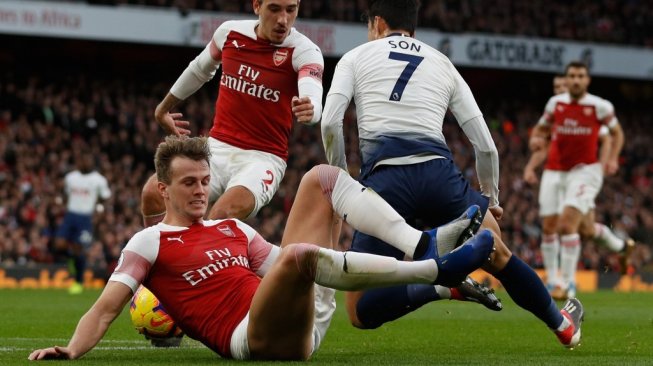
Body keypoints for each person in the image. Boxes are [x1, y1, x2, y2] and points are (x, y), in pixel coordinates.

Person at [28, 136, 495, 361]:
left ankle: (422, 245)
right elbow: (106, 308)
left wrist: (312, 268)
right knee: (297, 257)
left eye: (205, 182)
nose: (199, 191)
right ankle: (437, 269)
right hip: (252, 338)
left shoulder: (231, 229)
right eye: (188, 183)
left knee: (321, 179)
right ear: (164, 190)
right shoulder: (149, 242)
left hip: (298, 315)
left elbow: (285, 269)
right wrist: (71, 351)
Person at [321, 0, 583, 348]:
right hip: (439, 177)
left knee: (359, 312)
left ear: (377, 23)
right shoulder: (441, 62)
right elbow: (486, 145)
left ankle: (439, 286)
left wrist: (343, 184)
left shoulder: (356, 57)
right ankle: (561, 325)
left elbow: (329, 122)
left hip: (386, 183)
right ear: (413, 30)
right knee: (497, 248)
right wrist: (492, 199)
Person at [141, 0, 325, 226]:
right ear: (257, 6)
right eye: (274, 9)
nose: (283, 20)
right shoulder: (230, 33)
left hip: (262, 159)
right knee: (153, 194)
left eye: (291, 10)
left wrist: (312, 109)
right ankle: (156, 258)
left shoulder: (305, 50)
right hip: (216, 149)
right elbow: (200, 70)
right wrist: (163, 107)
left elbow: (313, 95)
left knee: (221, 215)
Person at [527, 62, 630, 300]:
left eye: (579, 76)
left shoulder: (598, 107)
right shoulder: (555, 105)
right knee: (573, 228)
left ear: (587, 80)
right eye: (571, 76)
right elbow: (540, 130)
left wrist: (610, 160)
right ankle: (554, 282)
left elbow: (614, 135)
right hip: (555, 172)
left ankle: (568, 284)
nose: (574, 81)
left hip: (585, 172)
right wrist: (535, 140)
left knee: (567, 225)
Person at [54, 153, 111, 295]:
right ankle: (72, 260)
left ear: (92, 162)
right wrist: (61, 201)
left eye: (87, 160)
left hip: (86, 217)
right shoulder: (71, 177)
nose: (84, 162)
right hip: (70, 215)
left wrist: (99, 212)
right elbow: (65, 194)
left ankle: (78, 282)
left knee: (79, 249)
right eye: (82, 160)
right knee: (59, 244)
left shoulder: (99, 180)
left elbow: (104, 198)